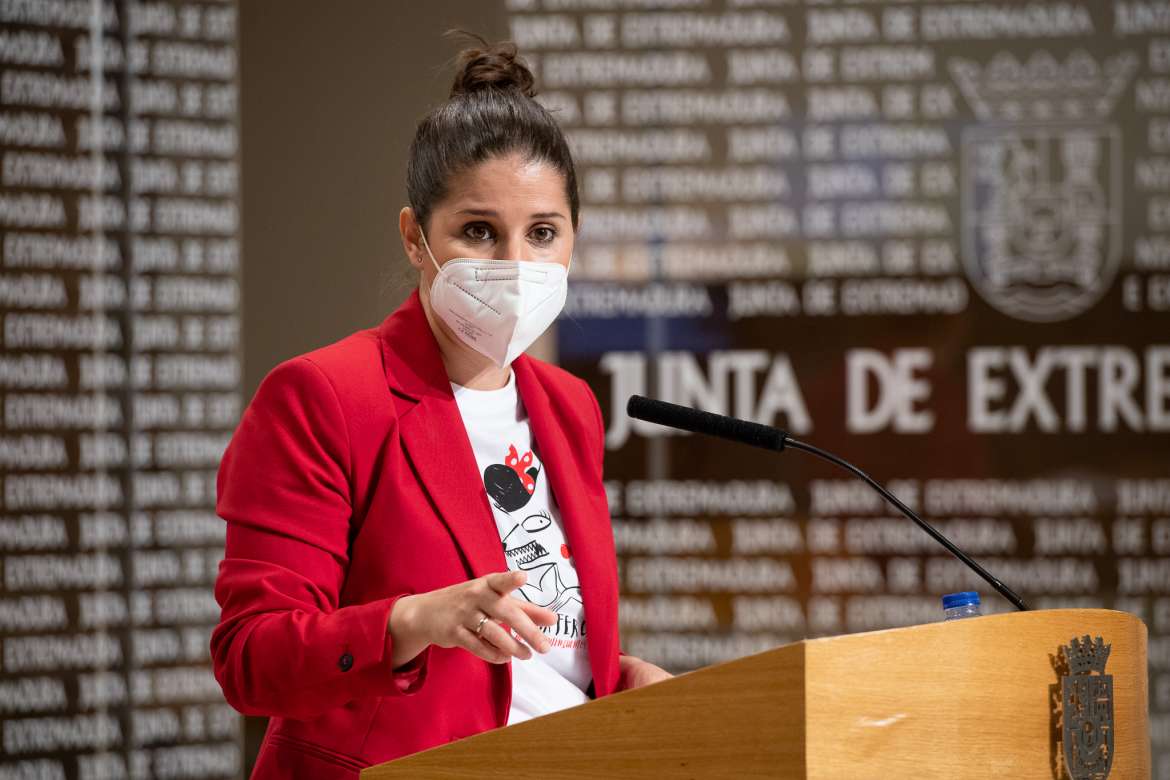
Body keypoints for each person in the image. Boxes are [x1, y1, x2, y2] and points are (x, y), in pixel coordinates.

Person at [210, 33, 671, 778]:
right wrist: (412, 620)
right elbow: (250, 661)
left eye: (542, 233)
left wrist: (614, 682)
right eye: (479, 231)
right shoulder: (323, 397)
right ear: (415, 238)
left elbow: (539, 649)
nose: (515, 264)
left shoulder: (569, 406)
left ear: (574, 241)